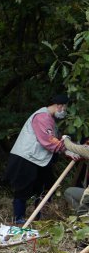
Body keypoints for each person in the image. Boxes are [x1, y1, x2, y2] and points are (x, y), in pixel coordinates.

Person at [5, 93, 77, 225]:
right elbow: (48, 140)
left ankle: (38, 217)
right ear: (59, 106)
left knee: (45, 187)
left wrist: (70, 150)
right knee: (23, 188)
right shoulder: (42, 117)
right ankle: (19, 219)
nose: (64, 112)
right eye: (65, 108)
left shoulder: (50, 119)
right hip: (26, 158)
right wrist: (66, 150)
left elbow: (55, 139)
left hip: (37, 159)